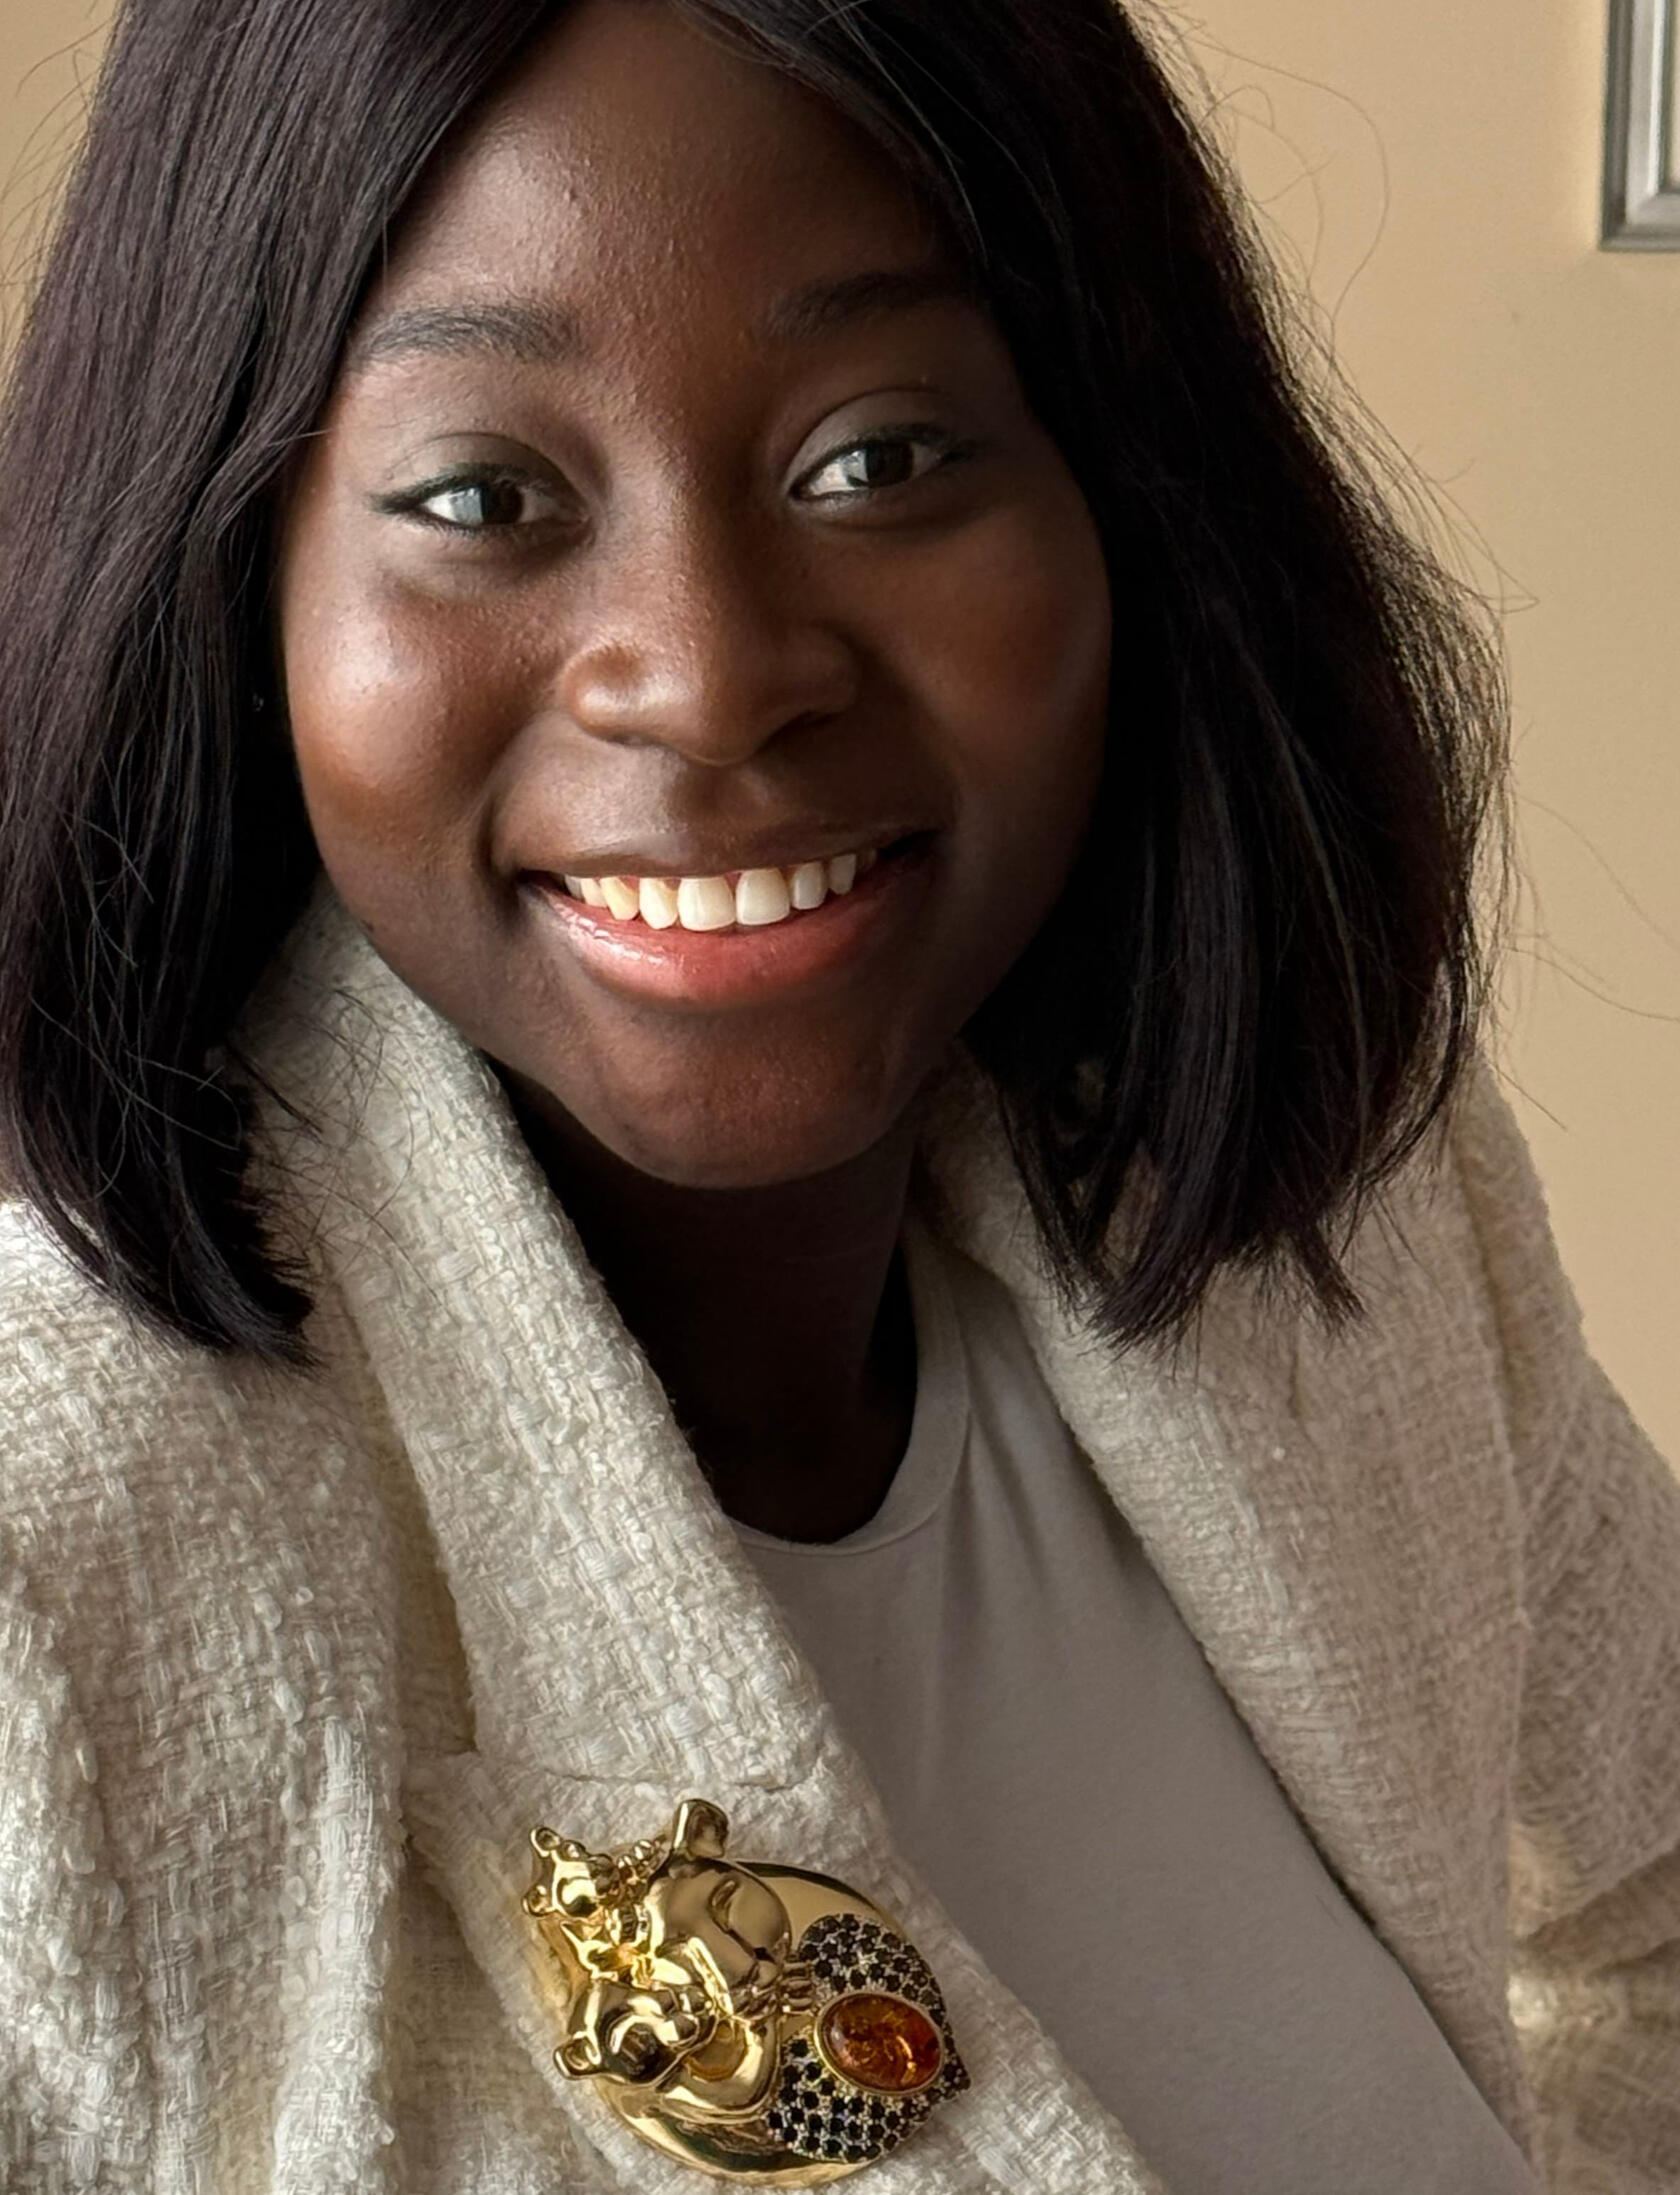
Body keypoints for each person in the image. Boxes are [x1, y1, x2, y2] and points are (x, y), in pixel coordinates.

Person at [0, 0, 1675, 2189]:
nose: (707, 678)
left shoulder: (1356, 1208)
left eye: (876, 457)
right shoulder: (50, 1580)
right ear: (234, 583)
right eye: (482, 496)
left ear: (1129, 501)